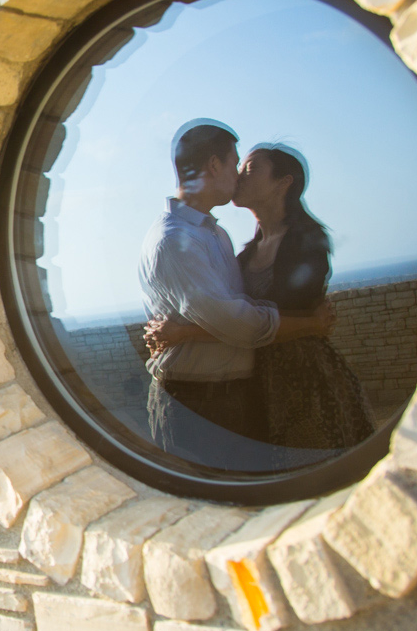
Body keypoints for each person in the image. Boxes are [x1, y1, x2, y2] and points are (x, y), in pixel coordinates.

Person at [146, 145, 374, 457]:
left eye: (251, 169)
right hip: (256, 384)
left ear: (284, 182)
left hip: (300, 380)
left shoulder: (306, 244)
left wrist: (183, 334)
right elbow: (235, 316)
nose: (239, 176)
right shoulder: (242, 252)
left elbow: (265, 322)